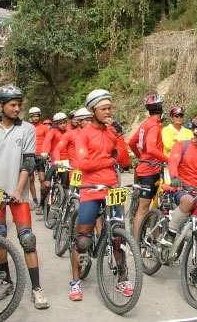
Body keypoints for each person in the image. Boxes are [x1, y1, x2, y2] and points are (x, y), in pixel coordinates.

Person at [0, 85, 49, 309]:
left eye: (19, 105)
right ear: (1, 106)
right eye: (13, 105)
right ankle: (6, 280)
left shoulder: (26, 129)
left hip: (17, 194)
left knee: (27, 239)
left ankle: (36, 288)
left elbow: (28, 162)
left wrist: (18, 189)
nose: (17, 109)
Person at [69, 89, 129, 300]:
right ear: (92, 111)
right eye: (103, 108)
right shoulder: (83, 135)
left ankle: (122, 279)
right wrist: (109, 161)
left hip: (112, 188)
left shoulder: (112, 132)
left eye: (110, 108)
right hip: (91, 189)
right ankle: (75, 282)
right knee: (83, 240)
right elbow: (84, 164)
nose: (108, 112)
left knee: (117, 237)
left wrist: (120, 137)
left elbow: (125, 162)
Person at [160, 113, 197, 289]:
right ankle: (171, 231)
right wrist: (175, 177)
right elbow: (173, 162)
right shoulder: (181, 146)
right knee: (187, 202)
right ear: (196, 131)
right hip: (182, 189)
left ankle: (196, 272)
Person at [129, 94, 169, 240]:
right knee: (144, 208)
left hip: (149, 168)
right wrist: (168, 160)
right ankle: (136, 242)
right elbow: (151, 148)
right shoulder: (154, 126)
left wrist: (140, 157)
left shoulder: (145, 123)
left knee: (155, 205)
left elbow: (132, 143)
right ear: (161, 109)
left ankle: (152, 238)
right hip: (150, 170)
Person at [38, 112, 69, 215]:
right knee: (46, 185)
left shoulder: (69, 132)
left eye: (64, 122)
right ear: (56, 124)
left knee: (65, 185)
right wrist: (44, 152)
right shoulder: (53, 131)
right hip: (54, 160)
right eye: (60, 123)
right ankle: (42, 203)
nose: (63, 125)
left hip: (66, 162)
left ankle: (64, 205)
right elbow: (47, 141)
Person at [28, 107, 49, 211]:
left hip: (41, 155)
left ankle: (43, 201)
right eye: (34, 116)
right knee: (31, 179)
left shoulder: (44, 128)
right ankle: (35, 200)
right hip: (30, 155)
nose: (36, 118)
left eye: (37, 116)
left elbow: (47, 140)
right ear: (31, 117)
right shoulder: (28, 127)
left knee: (42, 179)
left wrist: (46, 152)